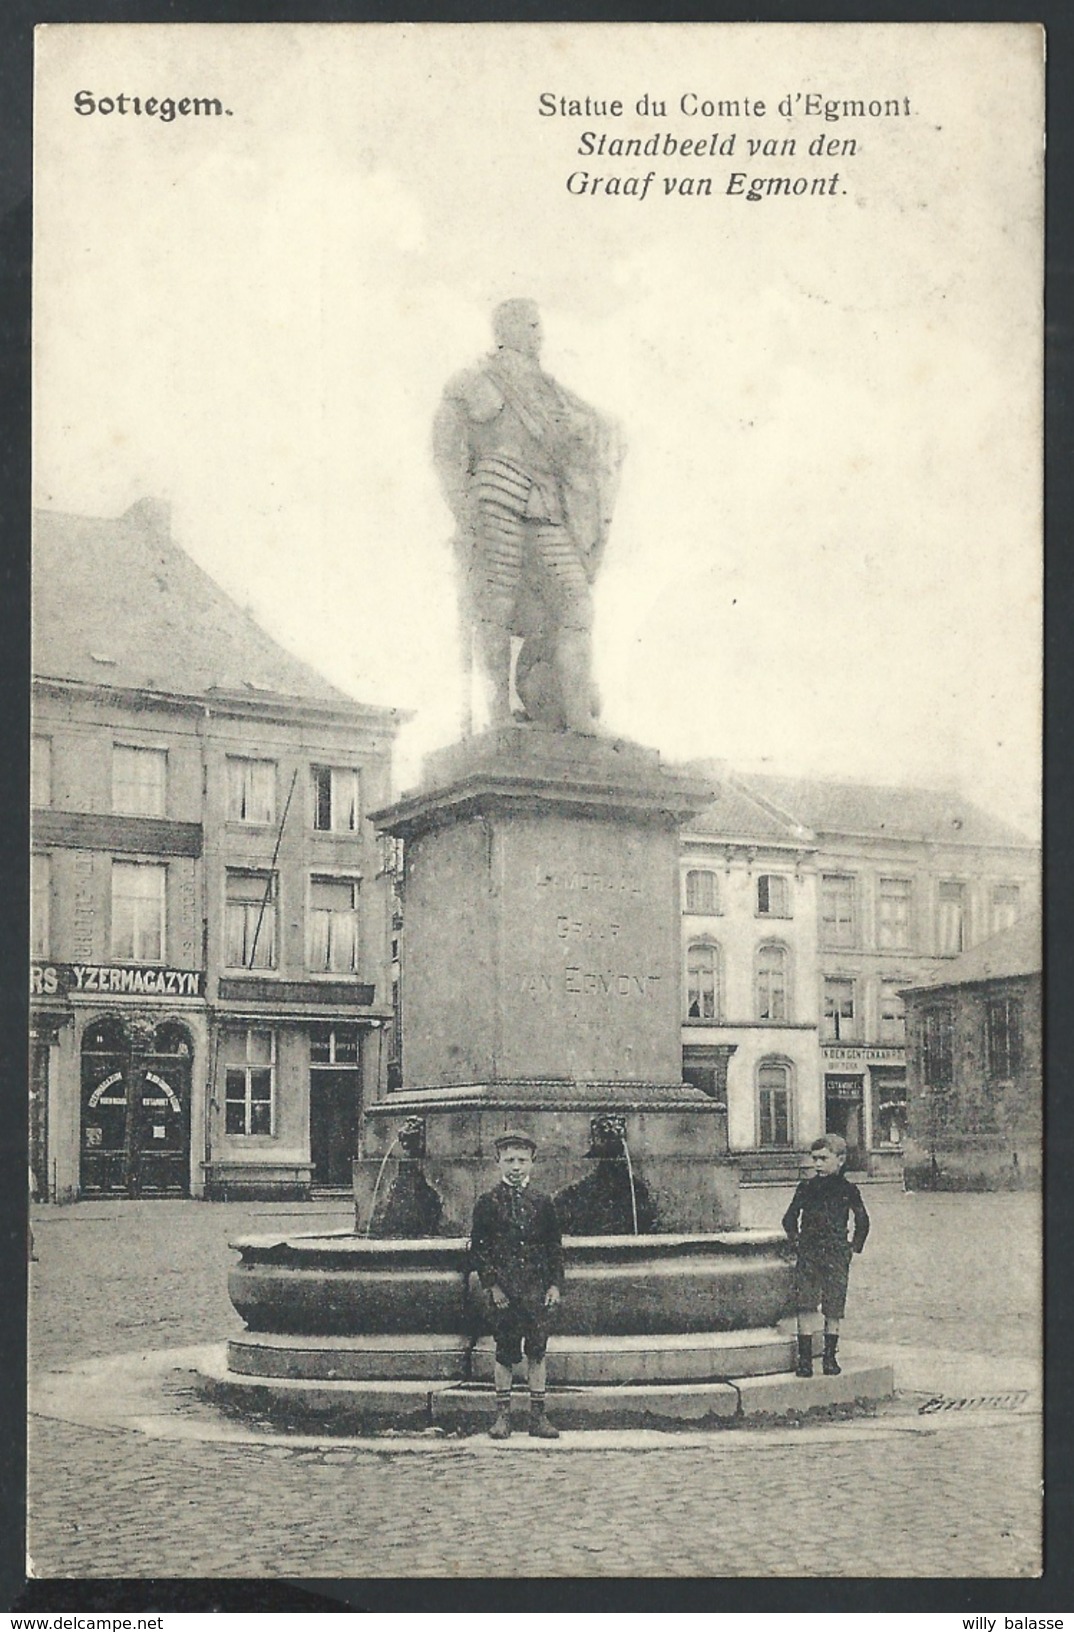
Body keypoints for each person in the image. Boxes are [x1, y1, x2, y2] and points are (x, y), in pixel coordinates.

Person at [433, 298, 623, 734]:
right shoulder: (471, 382)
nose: (541, 335)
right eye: (534, 326)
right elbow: (445, 451)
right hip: (495, 494)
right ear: (510, 328)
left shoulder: (553, 391)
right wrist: (464, 510)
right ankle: (498, 717)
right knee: (494, 608)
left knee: (576, 601)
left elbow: (584, 435)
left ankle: (578, 715)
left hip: (546, 505)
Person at [469, 1128, 565, 1439]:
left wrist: (554, 1285)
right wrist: (493, 1286)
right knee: (505, 1352)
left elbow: (554, 1248)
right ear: (498, 1162)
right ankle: (503, 1417)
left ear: (532, 1163)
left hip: (536, 1290)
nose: (515, 1167)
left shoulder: (543, 1202)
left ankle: (538, 1417)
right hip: (505, 1293)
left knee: (537, 1352)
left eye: (522, 1160)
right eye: (509, 1160)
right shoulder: (488, 1202)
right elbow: (479, 1249)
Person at [781, 1133, 870, 1378]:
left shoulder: (849, 1190)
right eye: (814, 1159)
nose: (817, 1164)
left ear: (840, 1160)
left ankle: (830, 1358)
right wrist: (797, 1242)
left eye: (823, 1159)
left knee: (834, 1307)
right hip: (809, 1254)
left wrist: (853, 1247)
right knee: (806, 1305)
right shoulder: (806, 1188)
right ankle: (805, 1360)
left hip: (836, 1254)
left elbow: (862, 1221)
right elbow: (789, 1219)